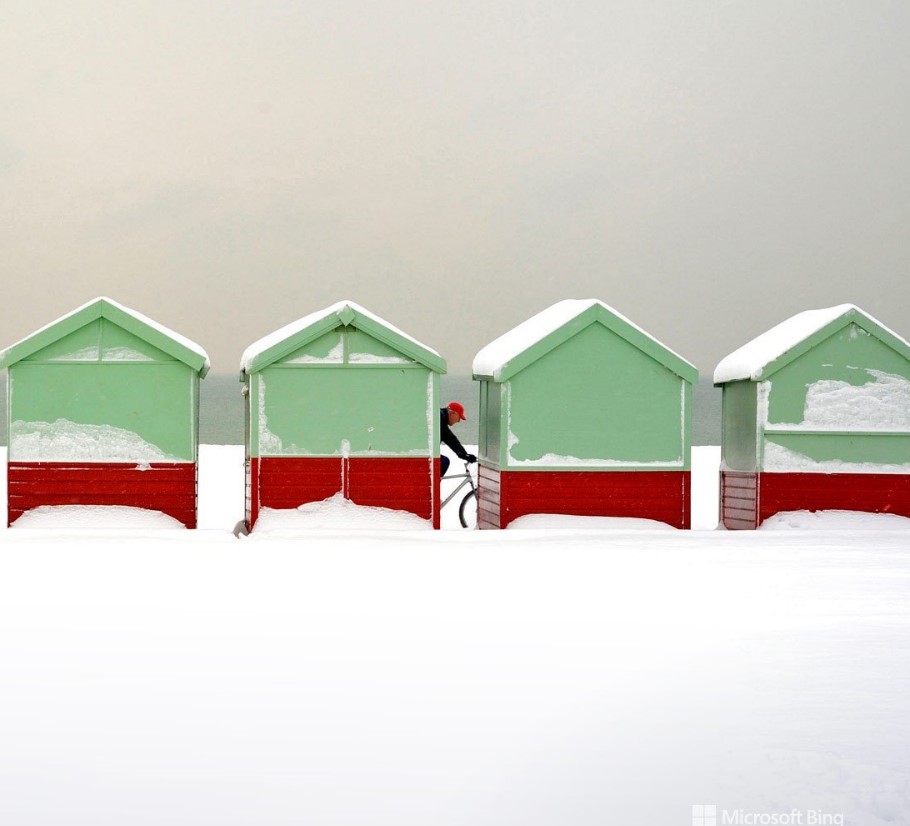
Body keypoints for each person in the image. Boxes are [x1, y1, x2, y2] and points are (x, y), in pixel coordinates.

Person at [440, 401, 476, 476]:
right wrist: (463, 455)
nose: (459, 421)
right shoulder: (439, 419)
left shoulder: (440, 417)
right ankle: (433, 486)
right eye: (459, 417)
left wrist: (463, 454)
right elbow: (449, 438)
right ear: (453, 413)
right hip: (421, 453)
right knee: (443, 462)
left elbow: (449, 438)